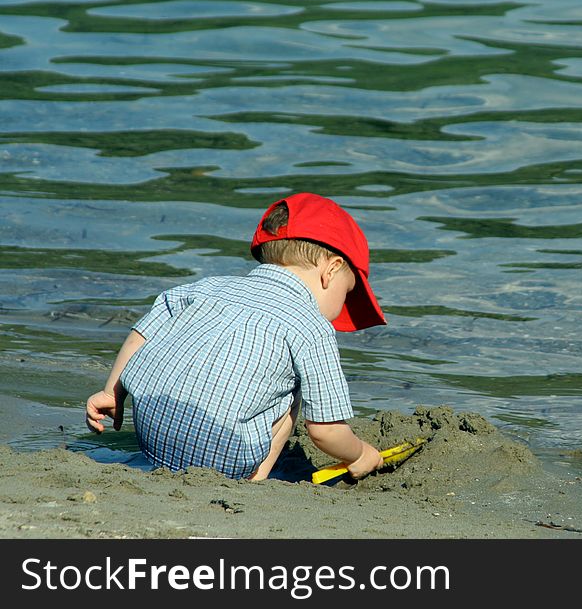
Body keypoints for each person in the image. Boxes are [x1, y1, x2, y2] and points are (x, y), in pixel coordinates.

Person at [85, 193, 386, 481]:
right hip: (223, 459)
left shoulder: (206, 288)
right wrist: (360, 455)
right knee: (293, 391)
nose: (340, 308)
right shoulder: (311, 326)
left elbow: (143, 333)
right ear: (331, 270)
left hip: (151, 434)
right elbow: (325, 431)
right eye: (347, 294)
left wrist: (113, 393)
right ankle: (254, 479)